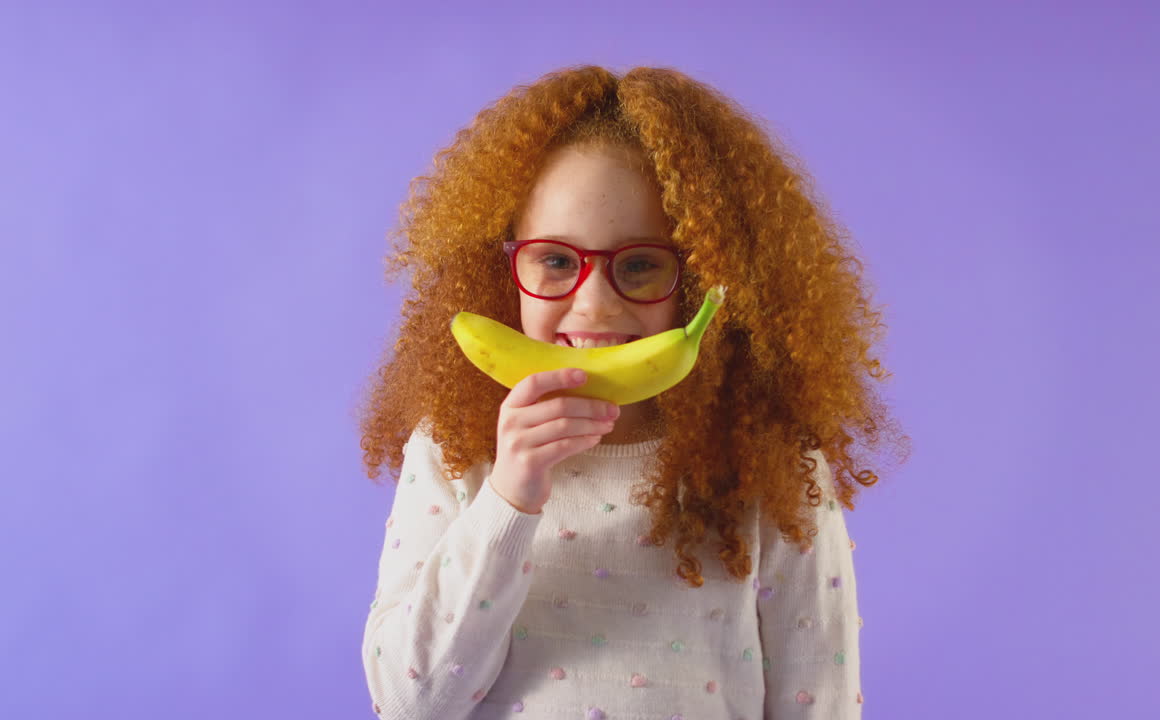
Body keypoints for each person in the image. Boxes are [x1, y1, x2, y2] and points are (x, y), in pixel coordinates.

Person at [356, 64, 911, 719]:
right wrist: (508, 501)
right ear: (504, 269)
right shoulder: (455, 449)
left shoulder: (773, 467)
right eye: (557, 260)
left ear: (705, 280)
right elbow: (409, 702)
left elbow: (816, 701)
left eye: (642, 264)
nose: (592, 307)